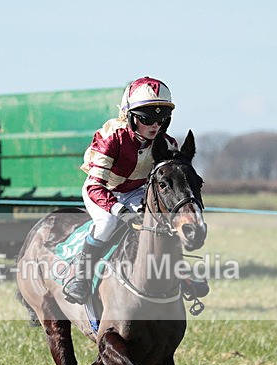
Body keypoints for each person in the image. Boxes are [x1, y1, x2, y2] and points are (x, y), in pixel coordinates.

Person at [63, 76, 208, 304]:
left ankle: (182, 277)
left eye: (161, 119)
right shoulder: (111, 138)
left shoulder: (167, 143)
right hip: (104, 192)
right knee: (107, 224)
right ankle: (81, 278)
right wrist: (119, 210)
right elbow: (94, 185)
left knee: (163, 223)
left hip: (137, 191)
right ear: (130, 117)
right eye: (147, 119)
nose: (155, 125)